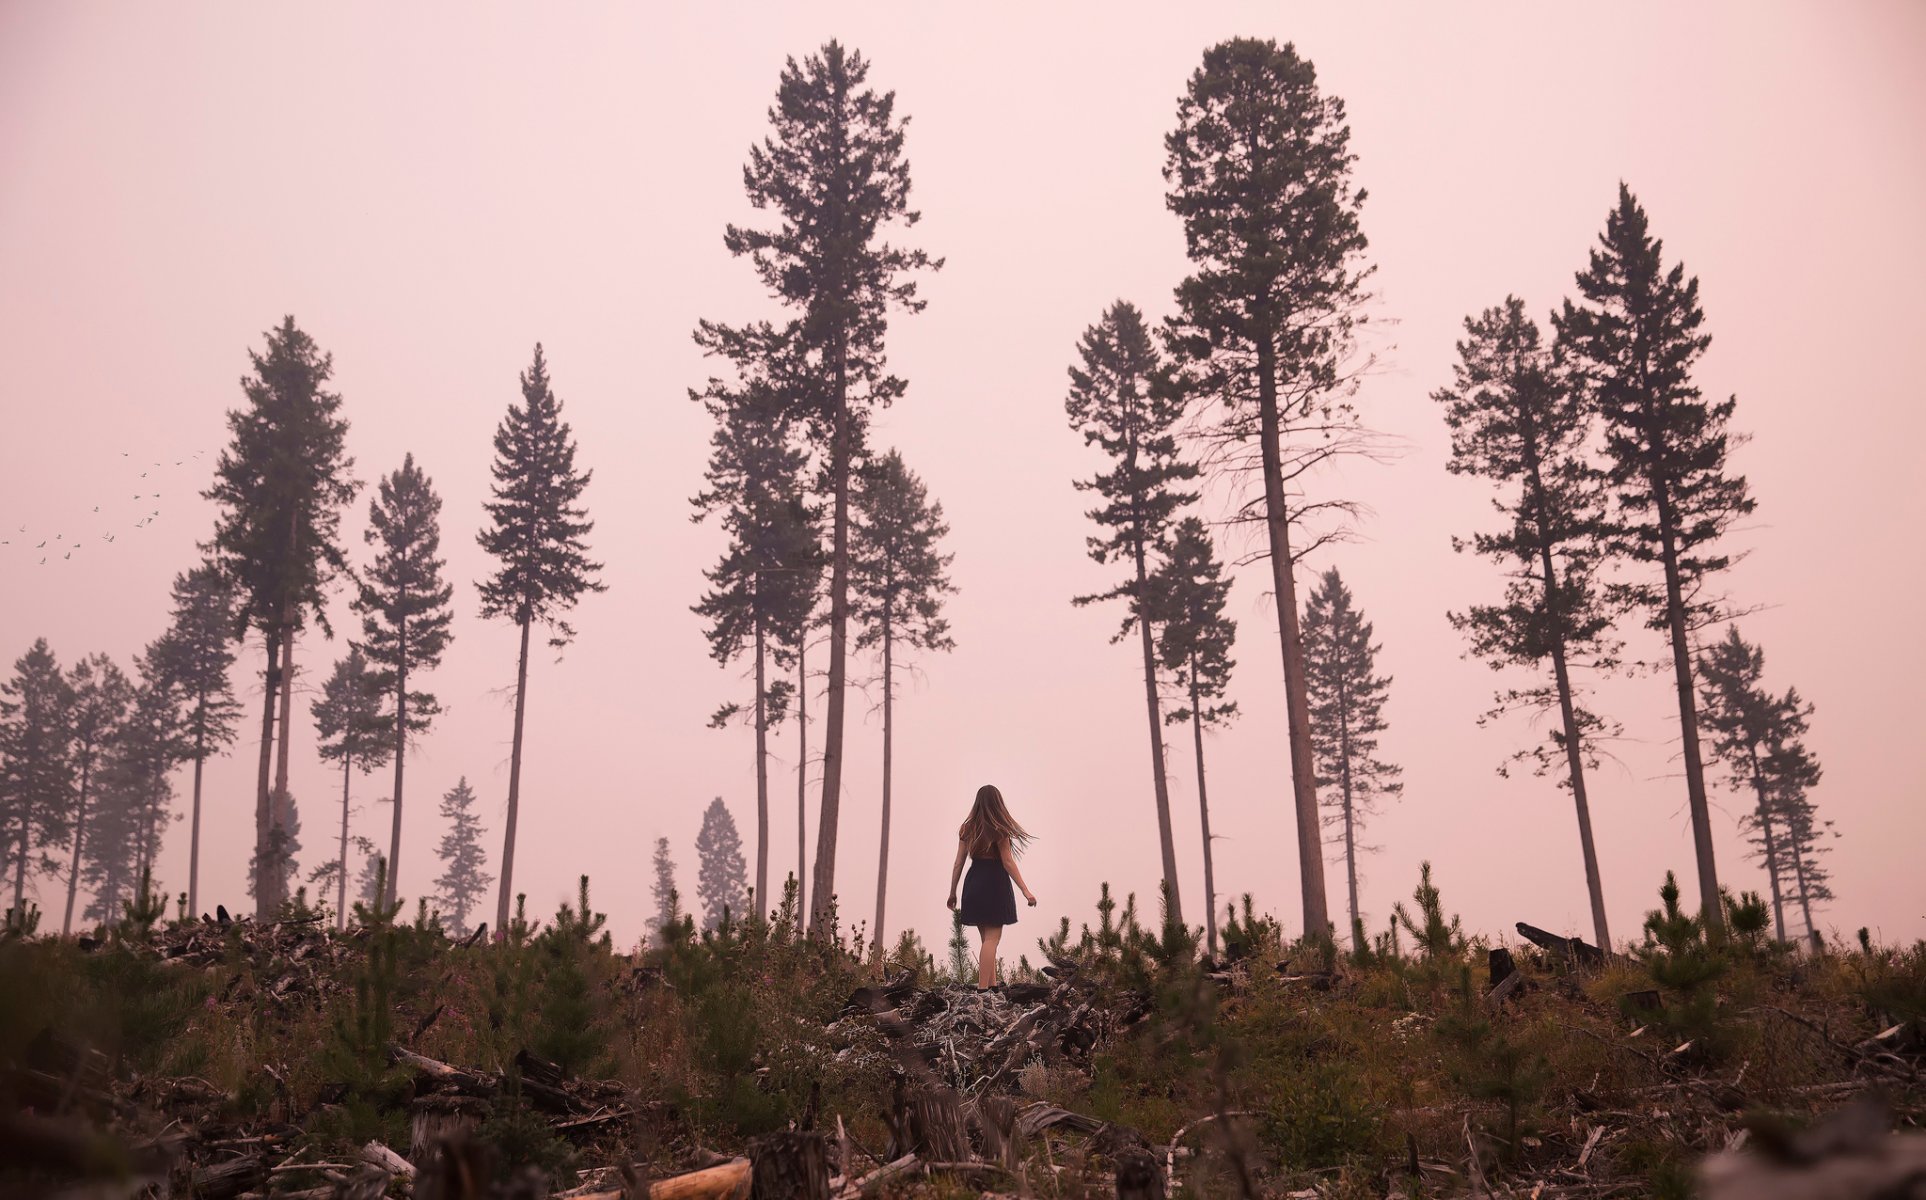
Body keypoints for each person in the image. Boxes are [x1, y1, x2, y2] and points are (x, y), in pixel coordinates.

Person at [946, 784, 1037, 991]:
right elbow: (1008, 862)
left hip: (973, 883)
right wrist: (1026, 891)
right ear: (998, 803)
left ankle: (993, 987)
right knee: (992, 940)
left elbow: (958, 863)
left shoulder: (967, 828)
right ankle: (983, 990)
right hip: (994, 884)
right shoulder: (1000, 829)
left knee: (986, 939)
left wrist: (953, 892)